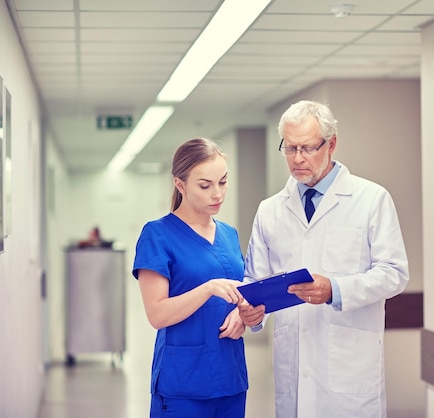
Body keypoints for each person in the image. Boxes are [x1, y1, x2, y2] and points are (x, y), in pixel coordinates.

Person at [239, 100, 409, 417]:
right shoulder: (270, 210)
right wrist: (252, 313)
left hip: (349, 374)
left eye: (307, 148)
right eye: (290, 149)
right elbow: (255, 280)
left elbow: (394, 273)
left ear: (331, 144)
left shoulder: (371, 199)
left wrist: (335, 289)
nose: (298, 159)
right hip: (293, 370)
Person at [133, 138, 248, 418]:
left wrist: (244, 315)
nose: (217, 194)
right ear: (180, 185)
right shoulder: (157, 235)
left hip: (230, 377)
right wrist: (207, 289)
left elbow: (238, 295)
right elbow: (157, 315)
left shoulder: (229, 234)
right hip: (183, 384)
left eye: (223, 182)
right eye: (205, 185)